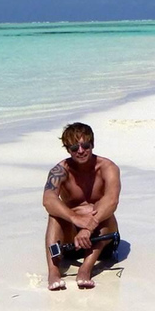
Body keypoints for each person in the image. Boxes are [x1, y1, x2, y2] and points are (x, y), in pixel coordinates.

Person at [42, 123, 121, 290]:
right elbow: (48, 200)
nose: (80, 150)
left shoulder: (107, 167)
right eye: (74, 147)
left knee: (106, 211)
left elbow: (112, 200)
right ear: (67, 149)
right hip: (71, 242)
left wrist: (88, 227)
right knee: (54, 214)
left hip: (101, 240)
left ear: (92, 144)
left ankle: (85, 269)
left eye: (85, 145)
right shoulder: (60, 170)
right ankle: (54, 271)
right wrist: (75, 219)